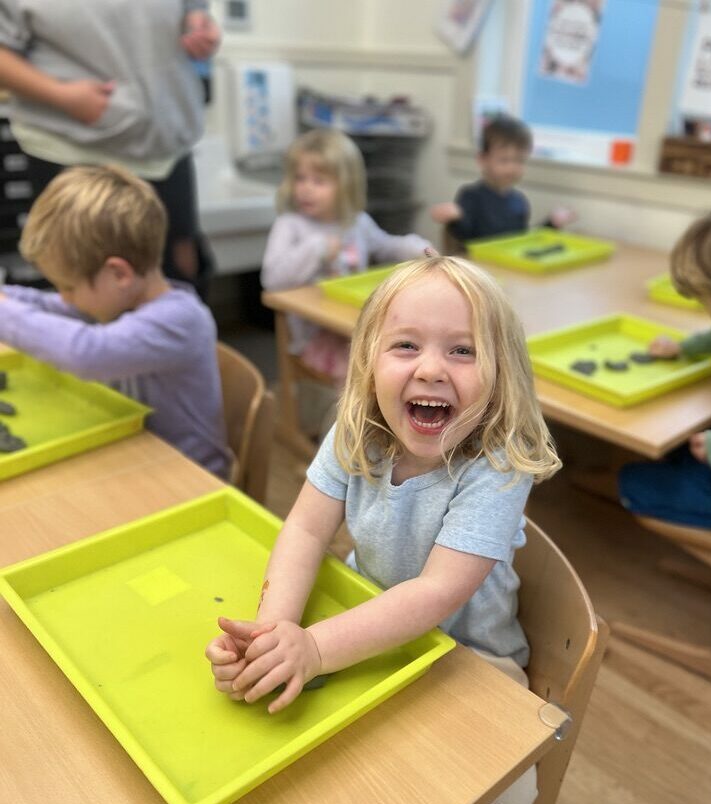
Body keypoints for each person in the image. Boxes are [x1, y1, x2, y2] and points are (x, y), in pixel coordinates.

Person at [206, 255, 562, 804]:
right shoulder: (354, 432)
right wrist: (272, 636)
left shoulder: (497, 467)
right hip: (364, 609)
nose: (431, 369)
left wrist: (313, 648)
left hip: (468, 653)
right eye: (405, 346)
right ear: (369, 361)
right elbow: (304, 530)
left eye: (463, 350)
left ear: (503, 372)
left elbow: (436, 592)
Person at [0, 164, 231, 478]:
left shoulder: (180, 319)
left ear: (119, 274)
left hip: (190, 475)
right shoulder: (115, 302)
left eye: (69, 287)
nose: (64, 297)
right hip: (136, 453)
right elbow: (44, 305)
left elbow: (87, 352)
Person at [0, 1, 220, 297]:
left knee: (179, 272)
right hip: (72, 144)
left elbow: (194, 9)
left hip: (166, 142)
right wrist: (60, 95)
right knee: (89, 282)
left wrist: (199, 22)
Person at [620, 207, 711, 532]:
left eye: (704, 302)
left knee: (631, 483)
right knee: (680, 454)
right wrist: (684, 347)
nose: (704, 309)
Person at [261, 127, 432, 383]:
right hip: (314, 336)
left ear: (346, 185)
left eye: (319, 181)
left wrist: (417, 248)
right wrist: (316, 249)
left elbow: (386, 245)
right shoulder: (289, 225)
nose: (306, 189)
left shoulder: (357, 223)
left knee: (403, 357)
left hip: (355, 325)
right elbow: (272, 279)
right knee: (364, 375)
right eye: (300, 178)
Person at [430, 115, 573, 244]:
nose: (512, 168)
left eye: (519, 160)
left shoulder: (519, 201)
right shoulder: (471, 196)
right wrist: (455, 218)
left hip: (507, 263)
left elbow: (522, 241)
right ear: (483, 159)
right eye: (504, 160)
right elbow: (465, 235)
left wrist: (551, 224)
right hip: (478, 262)